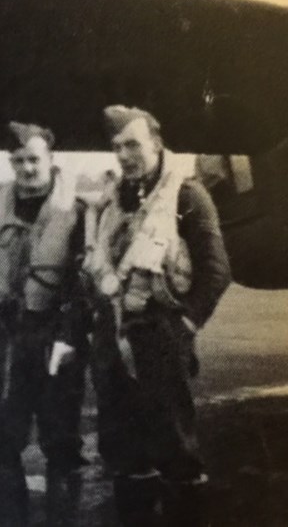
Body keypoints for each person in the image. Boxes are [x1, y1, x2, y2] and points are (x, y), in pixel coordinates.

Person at [82, 105, 232, 526]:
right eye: (117, 147)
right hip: (114, 340)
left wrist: (185, 326)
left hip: (161, 338)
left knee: (175, 452)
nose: (125, 155)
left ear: (157, 144)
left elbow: (217, 271)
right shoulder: (113, 202)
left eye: (133, 144)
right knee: (123, 453)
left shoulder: (186, 196)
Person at [0, 122, 89, 526]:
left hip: (54, 335)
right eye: (19, 160)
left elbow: (82, 284)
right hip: (7, 335)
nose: (27, 168)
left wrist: (68, 336)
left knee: (61, 440)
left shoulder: (76, 213)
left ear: (50, 161)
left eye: (34, 159)